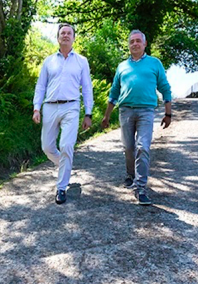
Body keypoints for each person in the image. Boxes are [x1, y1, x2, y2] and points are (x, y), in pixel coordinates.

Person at [101, 29, 172, 206]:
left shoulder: (155, 63)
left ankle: (140, 188)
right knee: (128, 148)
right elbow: (114, 92)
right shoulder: (122, 66)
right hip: (125, 111)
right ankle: (131, 175)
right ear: (128, 45)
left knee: (143, 147)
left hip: (146, 111)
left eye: (138, 41)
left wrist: (168, 112)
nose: (135, 44)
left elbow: (165, 88)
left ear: (145, 44)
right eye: (132, 41)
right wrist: (106, 116)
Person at [33, 23, 93, 205]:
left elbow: (87, 88)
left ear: (74, 38)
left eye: (69, 33)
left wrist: (88, 113)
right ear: (58, 38)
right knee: (47, 147)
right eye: (62, 33)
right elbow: (41, 85)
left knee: (67, 145)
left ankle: (61, 188)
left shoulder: (81, 61)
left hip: (71, 107)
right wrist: (36, 107)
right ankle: (64, 166)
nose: (66, 35)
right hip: (50, 106)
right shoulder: (48, 61)